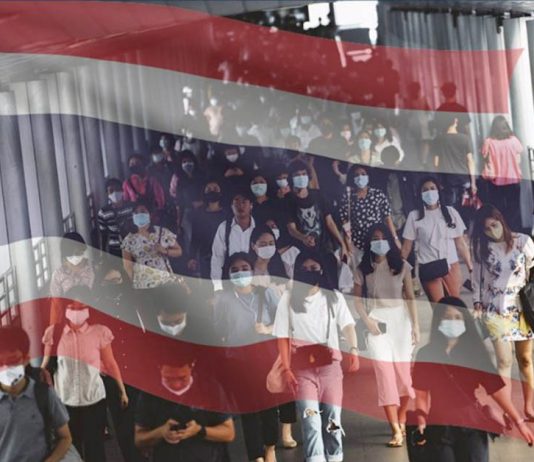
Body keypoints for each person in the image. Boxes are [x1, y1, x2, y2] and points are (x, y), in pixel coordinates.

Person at [412, 297, 534, 461]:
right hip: (439, 427)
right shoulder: (426, 354)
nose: (452, 322)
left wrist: (519, 422)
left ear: (465, 322)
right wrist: (421, 419)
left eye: (458, 318)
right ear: (438, 321)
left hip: (471, 425)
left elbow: (496, 391)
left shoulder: (475, 353)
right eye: (447, 317)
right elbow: (421, 396)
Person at [273, 251, 360, 462]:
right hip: (302, 371)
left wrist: (354, 349)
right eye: (305, 269)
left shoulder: (333, 297)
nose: (310, 272)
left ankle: (334, 457)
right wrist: (286, 368)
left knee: (333, 419)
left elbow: (348, 325)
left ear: (322, 270)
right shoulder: (288, 299)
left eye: (314, 268)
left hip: (331, 368)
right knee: (310, 420)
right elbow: (282, 337)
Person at [41, 286, 129, 462]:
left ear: (89, 309)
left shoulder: (100, 332)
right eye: (72, 307)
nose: (76, 312)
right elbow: (45, 365)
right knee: (71, 451)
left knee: (95, 450)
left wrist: (122, 391)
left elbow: (110, 363)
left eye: (81, 307)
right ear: (65, 308)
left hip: (94, 402)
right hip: (65, 404)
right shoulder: (54, 333)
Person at [354, 224, 419, 447]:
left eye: (383, 237)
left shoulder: (402, 266)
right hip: (377, 322)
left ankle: (402, 418)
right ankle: (395, 429)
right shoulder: (363, 269)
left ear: (390, 241)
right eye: (375, 238)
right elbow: (357, 301)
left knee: (404, 376)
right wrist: (367, 321)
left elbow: (410, 296)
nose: (379, 242)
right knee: (384, 375)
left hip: (400, 321)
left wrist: (415, 326)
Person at [215, 252, 280, 462]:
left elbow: (285, 322)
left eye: (244, 268)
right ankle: (255, 455)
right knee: (248, 410)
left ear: (252, 270)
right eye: (234, 270)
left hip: (266, 359)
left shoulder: (266, 294)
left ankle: (270, 447)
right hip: (238, 360)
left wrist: (267, 328)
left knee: (269, 407)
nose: (240, 273)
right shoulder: (224, 299)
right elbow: (219, 329)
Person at [471, 204, 534, 420]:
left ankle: (529, 407)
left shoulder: (523, 241)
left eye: (494, 224)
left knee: (525, 359)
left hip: (522, 305)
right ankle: (509, 411)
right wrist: (477, 303)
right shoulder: (482, 247)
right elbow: (477, 278)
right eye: (487, 228)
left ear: (501, 221)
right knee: (504, 360)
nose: (492, 230)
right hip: (495, 306)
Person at [135, 351, 235, 462]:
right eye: (169, 379)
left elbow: (228, 433)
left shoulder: (210, 388)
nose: (176, 385)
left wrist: (199, 431)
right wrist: (161, 432)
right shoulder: (149, 394)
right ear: (159, 368)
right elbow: (139, 439)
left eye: (182, 378)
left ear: (192, 365)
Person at [0, 326, 73, 462]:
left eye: (12, 361)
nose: (5, 368)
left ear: (26, 359)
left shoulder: (43, 394)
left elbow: (65, 437)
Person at [401, 177, 473, 302]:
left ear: (438, 191)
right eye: (425, 190)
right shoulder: (414, 216)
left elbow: (460, 243)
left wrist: (470, 267)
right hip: (429, 267)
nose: (429, 192)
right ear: (420, 194)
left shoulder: (450, 212)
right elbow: (407, 247)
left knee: (454, 305)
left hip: (451, 266)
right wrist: (399, 271)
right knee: (439, 307)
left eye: (432, 188)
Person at [339, 163, 399, 272]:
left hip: (377, 242)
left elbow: (388, 218)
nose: (360, 177)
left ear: (368, 176)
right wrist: (347, 243)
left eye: (363, 174)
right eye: (357, 175)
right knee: (362, 272)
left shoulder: (378, 194)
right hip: (358, 244)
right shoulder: (348, 197)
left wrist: (395, 238)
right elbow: (345, 221)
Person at [286, 160, 349, 263]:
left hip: (325, 247)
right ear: (291, 178)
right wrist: (303, 238)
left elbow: (330, 222)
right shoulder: (288, 200)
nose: (301, 177)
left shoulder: (318, 195)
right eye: (297, 175)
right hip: (304, 253)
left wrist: (342, 244)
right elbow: (291, 229)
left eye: (304, 174)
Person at [121, 201, 182, 290]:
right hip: (143, 285)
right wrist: (134, 283)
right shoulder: (129, 239)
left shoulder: (162, 232)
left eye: (143, 211)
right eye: (136, 212)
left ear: (150, 214)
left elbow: (179, 251)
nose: (139, 214)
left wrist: (165, 251)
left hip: (165, 282)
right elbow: (127, 265)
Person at [480, 115, 524, 231]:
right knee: (514, 208)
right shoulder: (514, 141)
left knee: (498, 209)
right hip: (513, 180)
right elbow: (518, 160)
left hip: (496, 182)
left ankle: (502, 231)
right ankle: (515, 231)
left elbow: (485, 158)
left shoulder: (489, 142)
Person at [210, 190, 256, 292]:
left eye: (244, 202)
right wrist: (217, 286)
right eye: (237, 202)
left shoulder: (259, 227)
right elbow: (217, 258)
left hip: (256, 281)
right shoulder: (224, 228)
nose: (240, 205)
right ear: (231, 206)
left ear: (251, 205)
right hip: (231, 280)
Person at [432, 113, 477, 213]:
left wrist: (438, 181)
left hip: (447, 180)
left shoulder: (438, 140)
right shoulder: (465, 139)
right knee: (466, 209)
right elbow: (470, 161)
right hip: (464, 179)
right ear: (455, 121)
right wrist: (473, 183)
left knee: (451, 209)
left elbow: (436, 164)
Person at [49, 232, 95, 325]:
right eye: (77, 253)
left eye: (81, 252)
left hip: (90, 317)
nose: (80, 256)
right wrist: (54, 327)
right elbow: (56, 305)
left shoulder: (91, 269)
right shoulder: (58, 275)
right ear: (68, 253)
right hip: (67, 320)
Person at [188, 180, 227, 278]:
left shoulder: (227, 213)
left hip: (225, 255)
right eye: (209, 189)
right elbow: (195, 237)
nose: (212, 191)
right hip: (206, 256)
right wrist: (192, 257)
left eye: (215, 189)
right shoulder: (198, 214)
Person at [97, 178, 135, 258]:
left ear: (122, 190)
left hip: (133, 246)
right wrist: (102, 253)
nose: (115, 193)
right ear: (107, 194)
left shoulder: (131, 207)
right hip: (115, 249)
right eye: (111, 191)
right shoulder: (103, 212)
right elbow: (103, 234)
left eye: (117, 189)